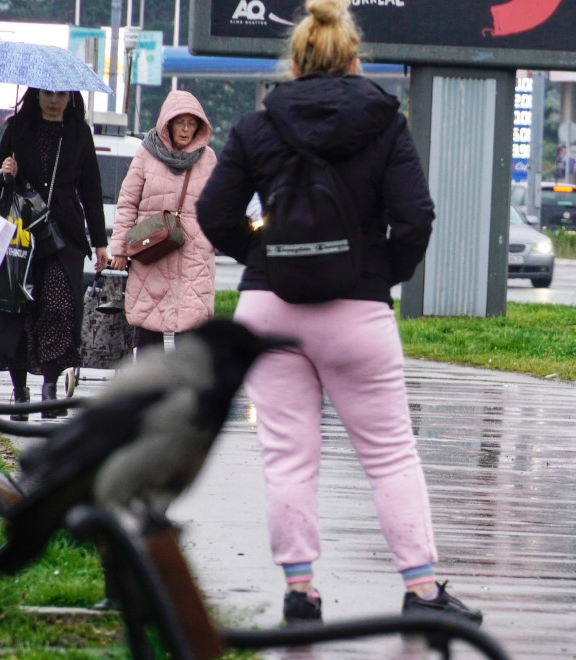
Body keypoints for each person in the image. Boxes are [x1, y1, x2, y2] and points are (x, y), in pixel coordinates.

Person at [197, 0, 481, 626]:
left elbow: (213, 214)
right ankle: (424, 593)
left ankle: (301, 593)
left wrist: (265, 254)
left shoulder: (256, 127)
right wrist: (377, 272)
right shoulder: (385, 122)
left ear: (294, 63)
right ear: (353, 60)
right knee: (389, 455)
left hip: (268, 310)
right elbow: (415, 217)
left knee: (288, 457)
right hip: (357, 310)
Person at [0, 89, 107, 418]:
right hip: (20, 233)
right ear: (36, 95)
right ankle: (20, 390)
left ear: (70, 98)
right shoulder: (16, 129)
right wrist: (6, 171)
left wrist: (100, 242)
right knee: (16, 310)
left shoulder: (79, 133)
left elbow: (92, 189)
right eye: (48, 93)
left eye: (61, 94)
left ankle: (50, 388)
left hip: (63, 233)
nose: (54, 100)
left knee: (58, 307)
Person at [99, 91, 217, 354]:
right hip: (152, 255)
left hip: (193, 257)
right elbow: (128, 202)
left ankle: (186, 394)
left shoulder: (208, 158)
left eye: (191, 123)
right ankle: (150, 392)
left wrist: (215, 239)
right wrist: (119, 249)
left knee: (191, 338)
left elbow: (217, 204)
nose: (186, 129)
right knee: (150, 334)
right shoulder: (146, 154)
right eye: (180, 122)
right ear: (167, 123)